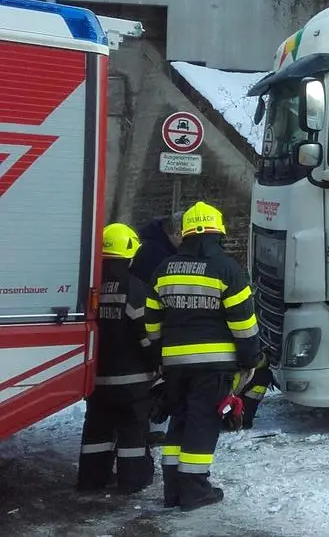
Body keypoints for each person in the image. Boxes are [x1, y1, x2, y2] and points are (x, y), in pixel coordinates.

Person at [144, 201, 261, 511]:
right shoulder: (227, 270)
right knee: (202, 424)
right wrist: (251, 359)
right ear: (216, 231)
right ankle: (195, 491)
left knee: (179, 421)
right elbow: (243, 324)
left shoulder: (163, 270)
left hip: (175, 366)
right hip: (213, 366)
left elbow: (151, 320)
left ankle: (173, 491)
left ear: (185, 233)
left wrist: (158, 355)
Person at [76, 223, 158, 494]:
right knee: (133, 430)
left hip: (94, 377)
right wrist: (155, 363)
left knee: (96, 430)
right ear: (130, 253)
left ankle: (91, 479)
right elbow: (146, 336)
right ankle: (133, 480)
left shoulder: (87, 286)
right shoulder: (136, 289)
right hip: (132, 380)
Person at [130, 211, 184, 446]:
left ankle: (145, 428)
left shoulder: (158, 246)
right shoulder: (156, 254)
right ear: (176, 233)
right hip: (144, 324)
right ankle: (141, 430)